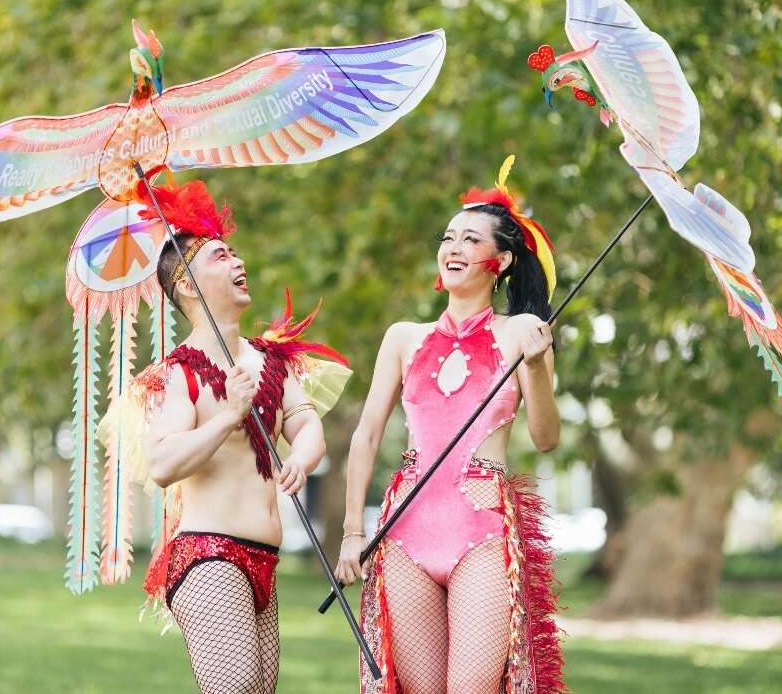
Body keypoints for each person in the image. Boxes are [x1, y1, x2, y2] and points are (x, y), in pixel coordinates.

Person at [335, 158, 566, 693]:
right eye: (448, 238)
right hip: (405, 530)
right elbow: (367, 434)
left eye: (469, 240)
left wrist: (535, 366)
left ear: (501, 260)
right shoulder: (401, 337)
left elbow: (547, 438)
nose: (453, 248)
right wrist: (352, 534)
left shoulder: (524, 333)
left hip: (481, 528)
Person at [113, 178, 350, 693]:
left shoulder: (272, 362)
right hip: (209, 554)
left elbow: (307, 424)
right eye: (221, 256)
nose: (238, 262)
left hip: (264, 558)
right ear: (187, 286)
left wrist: (302, 460)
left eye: (235, 253)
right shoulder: (180, 373)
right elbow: (161, 464)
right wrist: (225, 418)